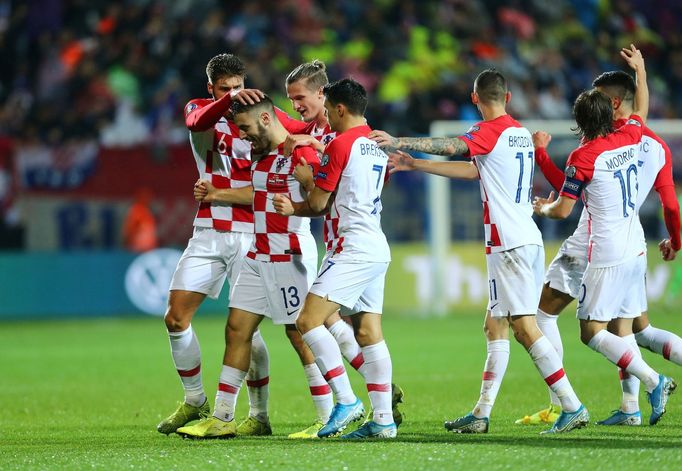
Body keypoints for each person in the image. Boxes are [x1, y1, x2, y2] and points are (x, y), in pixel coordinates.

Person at [372, 68, 586, 434]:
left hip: (510, 244)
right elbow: (476, 172)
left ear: (475, 98)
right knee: (495, 324)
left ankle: (571, 405)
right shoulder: (519, 133)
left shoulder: (489, 131)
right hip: (524, 237)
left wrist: (400, 142)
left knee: (524, 327)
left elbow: (454, 146)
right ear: (508, 98)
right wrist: (415, 165)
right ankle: (481, 414)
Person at [519, 67, 681, 426]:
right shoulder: (633, 137)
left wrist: (539, 208)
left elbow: (562, 209)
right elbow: (641, 109)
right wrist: (641, 69)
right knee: (632, 329)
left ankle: (653, 381)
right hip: (635, 245)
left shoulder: (583, 157)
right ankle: (630, 409)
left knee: (591, 332)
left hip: (603, 250)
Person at [175, 95, 322, 438]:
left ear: (268, 120)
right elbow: (255, 195)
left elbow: (321, 199)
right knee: (237, 329)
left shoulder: (299, 153)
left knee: (302, 334)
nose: (241, 137)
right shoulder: (261, 158)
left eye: (244, 128)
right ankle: (223, 417)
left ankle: (333, 412)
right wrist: (216, 193)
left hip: (290, 252)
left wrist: (303, 194)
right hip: (259, 254)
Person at [279, 60, 404, 436]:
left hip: (350, 248)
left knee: (306, 322)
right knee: (368, 332)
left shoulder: (339, 145)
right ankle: (382, 422)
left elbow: (318, 204)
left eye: (330, 112)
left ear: (339, 108)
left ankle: (347, 401)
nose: (326, 122)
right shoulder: (375, 142)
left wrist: (296, 199)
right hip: (375, 245)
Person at [156, 53, 270, 436]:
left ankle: (258, 414)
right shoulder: (202, 109)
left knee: (247, 331)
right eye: (225, 89)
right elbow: (194, 120)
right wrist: (227, 102)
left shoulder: (261, 116)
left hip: (252, 232)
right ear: (212, 89)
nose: (235, 94)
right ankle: (194, 400)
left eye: (239, 86)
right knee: (175, 318)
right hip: (208, 232)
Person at [122, 187, 158, 252]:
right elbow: (129, 230)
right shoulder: (136, 210)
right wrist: (127, 243)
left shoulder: (147, 210)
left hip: (148, 249)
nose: (148, 199)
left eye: (149, 196)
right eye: (145, 196)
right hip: (138, 249)